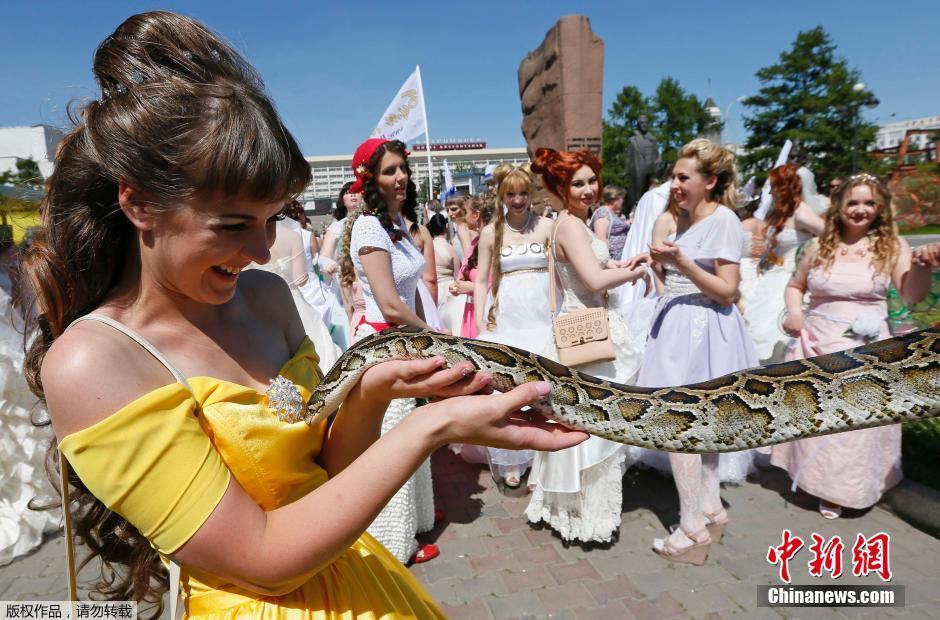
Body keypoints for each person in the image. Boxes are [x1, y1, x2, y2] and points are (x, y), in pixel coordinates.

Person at [21, 12, 586, 616]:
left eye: (272, 221)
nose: (264, 251)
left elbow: (325, 477)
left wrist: (370, 395)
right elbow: (265, 560)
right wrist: (430, 429)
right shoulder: (94, 361)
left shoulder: (263, 295)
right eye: (235, 225)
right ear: (138, 202)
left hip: (361, 581)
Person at [773, 173, 933, 520]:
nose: (860, 210)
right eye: (853, 202)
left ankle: (843, 489)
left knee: (853, 426)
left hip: (867, 347)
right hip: (816, 343)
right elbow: (795, 285)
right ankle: (813, 480)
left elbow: (912, 294)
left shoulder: (892, 246)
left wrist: (922, 267)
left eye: (869, 203)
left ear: (879, 208)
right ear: (839, 206)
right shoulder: (818, 246)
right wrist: (796, 313)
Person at [630, 139, 759, 564]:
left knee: (680, 425)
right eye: (674, 176)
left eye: (684, 177)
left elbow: (727, 291)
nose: (675, 184)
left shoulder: (723, 220)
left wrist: (682, 264)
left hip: (706, 329)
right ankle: (710, 508)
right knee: (695, 424)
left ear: (710, 181)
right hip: (675, 326)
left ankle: (691, 529)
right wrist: (655, 269)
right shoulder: (675, 219)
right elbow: (666, 275)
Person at [526, 148, 648, 545]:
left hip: (587, 328)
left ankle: (569, 510)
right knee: (595, 426)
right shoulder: (572, 226)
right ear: (561, 187)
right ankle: (583, 516)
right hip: (589, 333)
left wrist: (622, 265)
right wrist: (636, 272)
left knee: (587, 421)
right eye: (577, 183)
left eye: (591, 179)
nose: (588, 188)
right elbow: (593, 282)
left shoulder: (569, 223)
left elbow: (590, 271)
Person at [473, 165, 556, 488]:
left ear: (531, 194)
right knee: (511, 388)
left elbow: (559, 273)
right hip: (507, 317)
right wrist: (480, 319)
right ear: (501, 196)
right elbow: (481, 280)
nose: (518, 200)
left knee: (545, 387)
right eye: (511, 194)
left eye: (523, 193)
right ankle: (513, 459)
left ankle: (547, 460)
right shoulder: (491, 232)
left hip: (543, 314)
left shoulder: (548, 226)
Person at [744, 164, 825, 363]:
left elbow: (831, 236)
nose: (770, 191)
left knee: (772, 333)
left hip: (787, 281)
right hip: (769, 278)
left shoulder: (801, 213)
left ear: (785, 187)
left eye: (773, 186)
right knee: (755, 329)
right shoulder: (780, 213)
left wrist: (808, 258)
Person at [428, 213, 463, 336]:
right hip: (449, 290)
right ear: (446, 227)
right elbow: (458, 276)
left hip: (430, 290)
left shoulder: (427, 248)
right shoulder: (450, 249)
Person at [320, 181, 360, 261]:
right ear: (342, 200)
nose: (353, 195)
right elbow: (324, 258)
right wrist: (330, 266)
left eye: (357, 191)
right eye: (348, 192)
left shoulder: (376, 221)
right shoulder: (336, 227)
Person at [590, 185, 630, 259]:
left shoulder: (612, 213)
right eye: (622, 198)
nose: (623, 201)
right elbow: (601, 239)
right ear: (614, 198)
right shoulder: (603, 212)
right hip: (613, 260)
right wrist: (608, 261)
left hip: (621, 258)